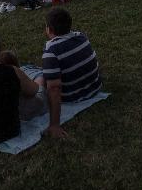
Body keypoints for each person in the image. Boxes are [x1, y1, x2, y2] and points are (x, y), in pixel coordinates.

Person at [38, 8, 102, 138]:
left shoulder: (51, 51)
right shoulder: (81, 37)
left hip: (71, 96)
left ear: (49, 30)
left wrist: (54, 125)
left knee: (35, 74)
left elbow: (54, 89)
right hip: (94, 88)